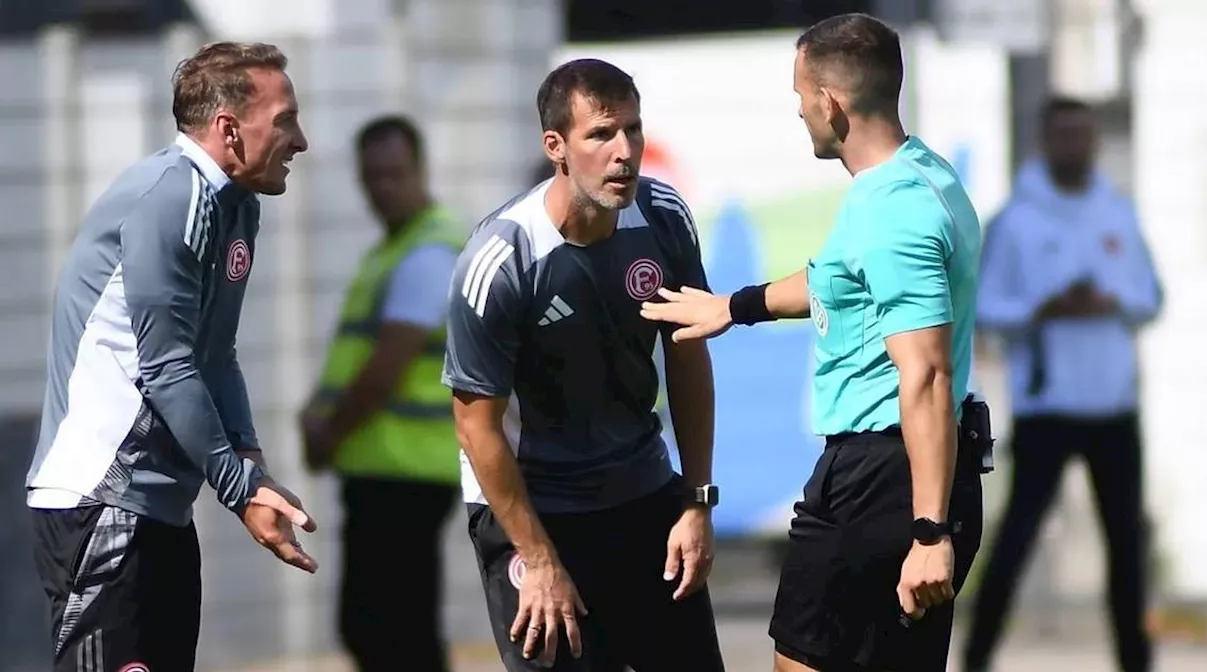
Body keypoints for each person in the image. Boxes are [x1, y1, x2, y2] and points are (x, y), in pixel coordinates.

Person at [640, 13, 988, 671]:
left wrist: (929, 531)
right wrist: (735, 307)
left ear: (830, 101)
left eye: (801, 96)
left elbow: (927, 375)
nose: (800, 112)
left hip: (884, 480)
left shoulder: (892, 210)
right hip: (911, 472)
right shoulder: (923, 176)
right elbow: (839, 279)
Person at [24, 42, 316, 672]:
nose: (301, 141)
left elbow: (217, 355)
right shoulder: (171, 195)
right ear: (230, 130)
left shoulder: (236, 206)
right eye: (286, 119)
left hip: (160, 506)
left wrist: (251, 464)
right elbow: (167, 366)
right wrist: (240, 493)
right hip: (104, 499)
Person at [442, 58, 725, 671]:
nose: (624, 151)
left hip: (641, 490)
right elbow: (475, 428)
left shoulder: (664, 218)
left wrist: (696, 501)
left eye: (633, 129)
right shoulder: (503, 261)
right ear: (557, 148)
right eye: (600, 134)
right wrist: (540, 561)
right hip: (534, 513)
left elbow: (689, 357)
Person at [961, 96, 1163, 672]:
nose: (1075, 145)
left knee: (1126, 548)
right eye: (1063, 135)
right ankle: (976, 659)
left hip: (1112, 406)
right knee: (1016, 541)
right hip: (1048, 407)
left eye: (1083, 134)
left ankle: (1136, 661)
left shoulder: (1116, 212)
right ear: (1045, 143)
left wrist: (1108, 302)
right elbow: (990, 308)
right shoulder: (1018, 220)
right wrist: (1044, 309)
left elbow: (1150, 298)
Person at [301, 115, 464, 672]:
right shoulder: (394, 250)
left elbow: (384, 367)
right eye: (372, 176)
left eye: (394, 173)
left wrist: (329, 430)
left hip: (404, 472)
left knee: (391, 631)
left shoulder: (426, 252)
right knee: (382, 628)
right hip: (385, 468)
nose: (383, 187)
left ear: (420, 170)